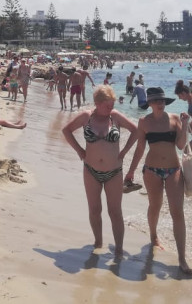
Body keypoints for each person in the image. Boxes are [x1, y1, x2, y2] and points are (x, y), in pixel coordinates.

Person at [62, 85, 139, 261]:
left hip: (114, 172)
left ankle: (119, 249)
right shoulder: (86, 117)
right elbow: (66, 131)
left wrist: (124, 151)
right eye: (107, 105)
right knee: (95, 209)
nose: (110, 108)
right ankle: (98, 242)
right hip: (91, 171)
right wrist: (80, 151)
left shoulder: (115, 117)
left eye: (112, 105)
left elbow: (136, 131)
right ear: (97, 103)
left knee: (115, 212)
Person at [126, 87, 192, 275]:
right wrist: (131, 170)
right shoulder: (144, 122)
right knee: (155, 205)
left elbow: (181, 145)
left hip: (173, 169)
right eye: (156, 101)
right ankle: (153, 236)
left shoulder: (175, 119)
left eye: (162, 100)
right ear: (150, 103)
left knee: (177, 211)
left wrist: (185, 124)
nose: (160, 103)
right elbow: (140, 148)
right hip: (152, 170)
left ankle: (182, 258)